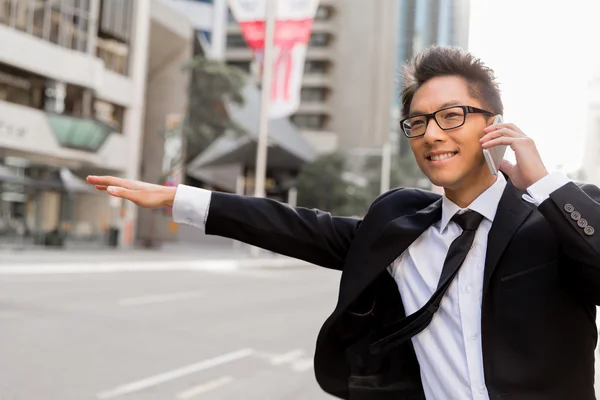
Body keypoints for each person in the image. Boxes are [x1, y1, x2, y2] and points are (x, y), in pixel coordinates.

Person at [87, 46, 600, 400]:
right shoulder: (401, 226)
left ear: (494, 124)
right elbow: (293, 225)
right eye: (417, 122)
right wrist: (178, 198)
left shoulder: (555, 217)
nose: (431, 134)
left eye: (452, 115)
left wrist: (545, 183)